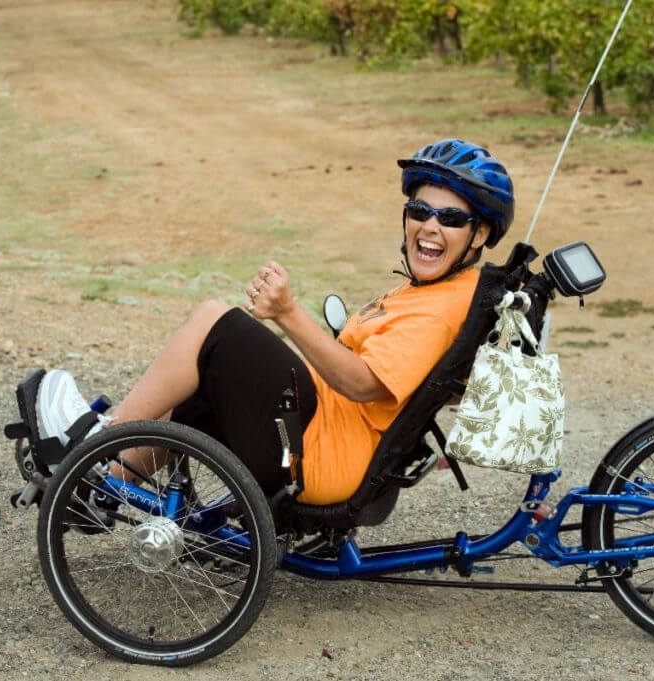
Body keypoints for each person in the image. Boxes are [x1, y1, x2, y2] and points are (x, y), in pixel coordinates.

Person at [36, 139, 514, 505]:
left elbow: (363, 384)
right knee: (201, 383)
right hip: (315, 434)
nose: (430, 227)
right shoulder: (436, 293)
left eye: (450, 218)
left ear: (481, 234)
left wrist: (288, 313)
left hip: (316, 455)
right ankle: (103, 485)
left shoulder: (439, 308)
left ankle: (94, 444)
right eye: (420, 211)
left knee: (215, 321)